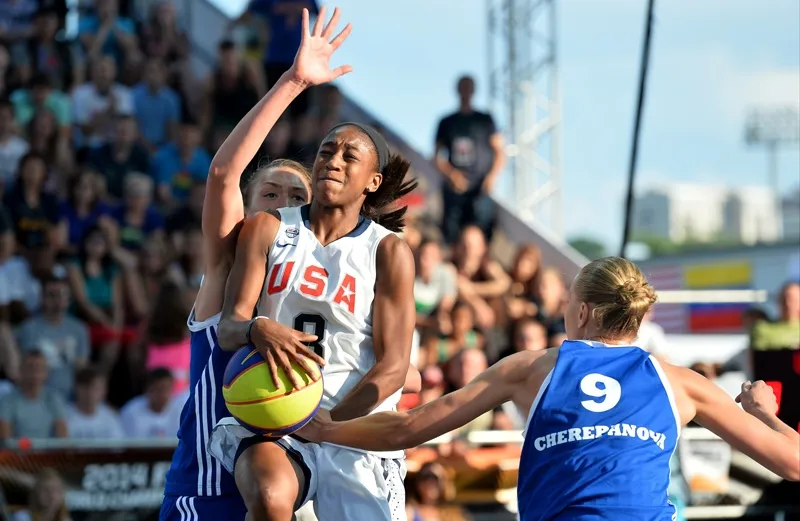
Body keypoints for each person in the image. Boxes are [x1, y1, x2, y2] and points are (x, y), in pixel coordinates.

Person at [161, 8, 418, 521]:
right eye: (326, 150)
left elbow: (397, 370)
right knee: (273, 497)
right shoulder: (256, 236)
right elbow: (222, 175)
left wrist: (340, 413)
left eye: (349, 156)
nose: (333, 160)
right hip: (261, 437)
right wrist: (295, 81)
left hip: (346, 424)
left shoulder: (385, 250)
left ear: (371, 181)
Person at [301, 256, 800, 520]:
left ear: (582, 312)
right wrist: (764, 412)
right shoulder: (681, 383)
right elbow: (794, 464)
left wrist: (321, 428)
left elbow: (409, 427)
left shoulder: (532, 368)